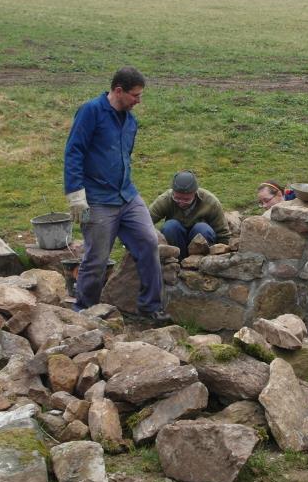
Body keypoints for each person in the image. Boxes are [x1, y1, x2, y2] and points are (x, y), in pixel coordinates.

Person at [64, 66, 169, 324]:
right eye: (135, 95)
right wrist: (76, 194)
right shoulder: (91, 111)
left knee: (149, 242)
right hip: (98, 199)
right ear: (119, 90)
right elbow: (74, 151)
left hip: (127, 196)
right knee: (97, 258)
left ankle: (150, 308)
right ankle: (84, 311)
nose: (139, 101)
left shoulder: (130, 121)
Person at [148, 170, 231, 258]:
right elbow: (144, 222)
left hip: (201, 243)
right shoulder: (165, 200)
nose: (181, 202)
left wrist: (223, 255)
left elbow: (223, 233)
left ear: (195, 193)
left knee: (202, 228)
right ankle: (176, 261)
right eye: (177, 198)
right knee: (170, 226)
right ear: (173, 192)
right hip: (176, 240)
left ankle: (200, 262)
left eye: (186, 199)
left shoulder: (211, 202)